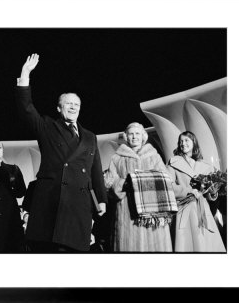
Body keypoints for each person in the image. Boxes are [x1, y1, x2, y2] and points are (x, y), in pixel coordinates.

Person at [14, 53, 107, 252]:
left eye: (77, 104)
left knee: (75, 253)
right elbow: (26, 108)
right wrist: (25, 74)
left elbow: (95, 170)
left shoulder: (90, 136)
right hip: (52, 201)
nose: (73, 107)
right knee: (49, 252)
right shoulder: (47, 126)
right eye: (68, 104)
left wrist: (101, 199)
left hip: (79, 204)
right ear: (58, 108)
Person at [104, 122, 174, 252]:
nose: (134, 137)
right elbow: (109, 183)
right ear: (126, 137)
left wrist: (143, 180)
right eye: (131, 134)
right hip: (127, 211)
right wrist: (125, 183)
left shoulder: (154, 156)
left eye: (137, 134)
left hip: (153, 213)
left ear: (143, 136)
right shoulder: (117, 158)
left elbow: (167, 179)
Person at [166, 131, 226, 252]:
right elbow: (168, 185)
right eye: (181, 141)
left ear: (194, 143)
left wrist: (213, 193)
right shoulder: (173, 162)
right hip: (183, 209)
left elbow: (209, 194)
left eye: (186, 140)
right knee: (185, 245)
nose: (183, 143)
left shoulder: (205, 165)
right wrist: (188, 191)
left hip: (203, 209)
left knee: (206, 245)